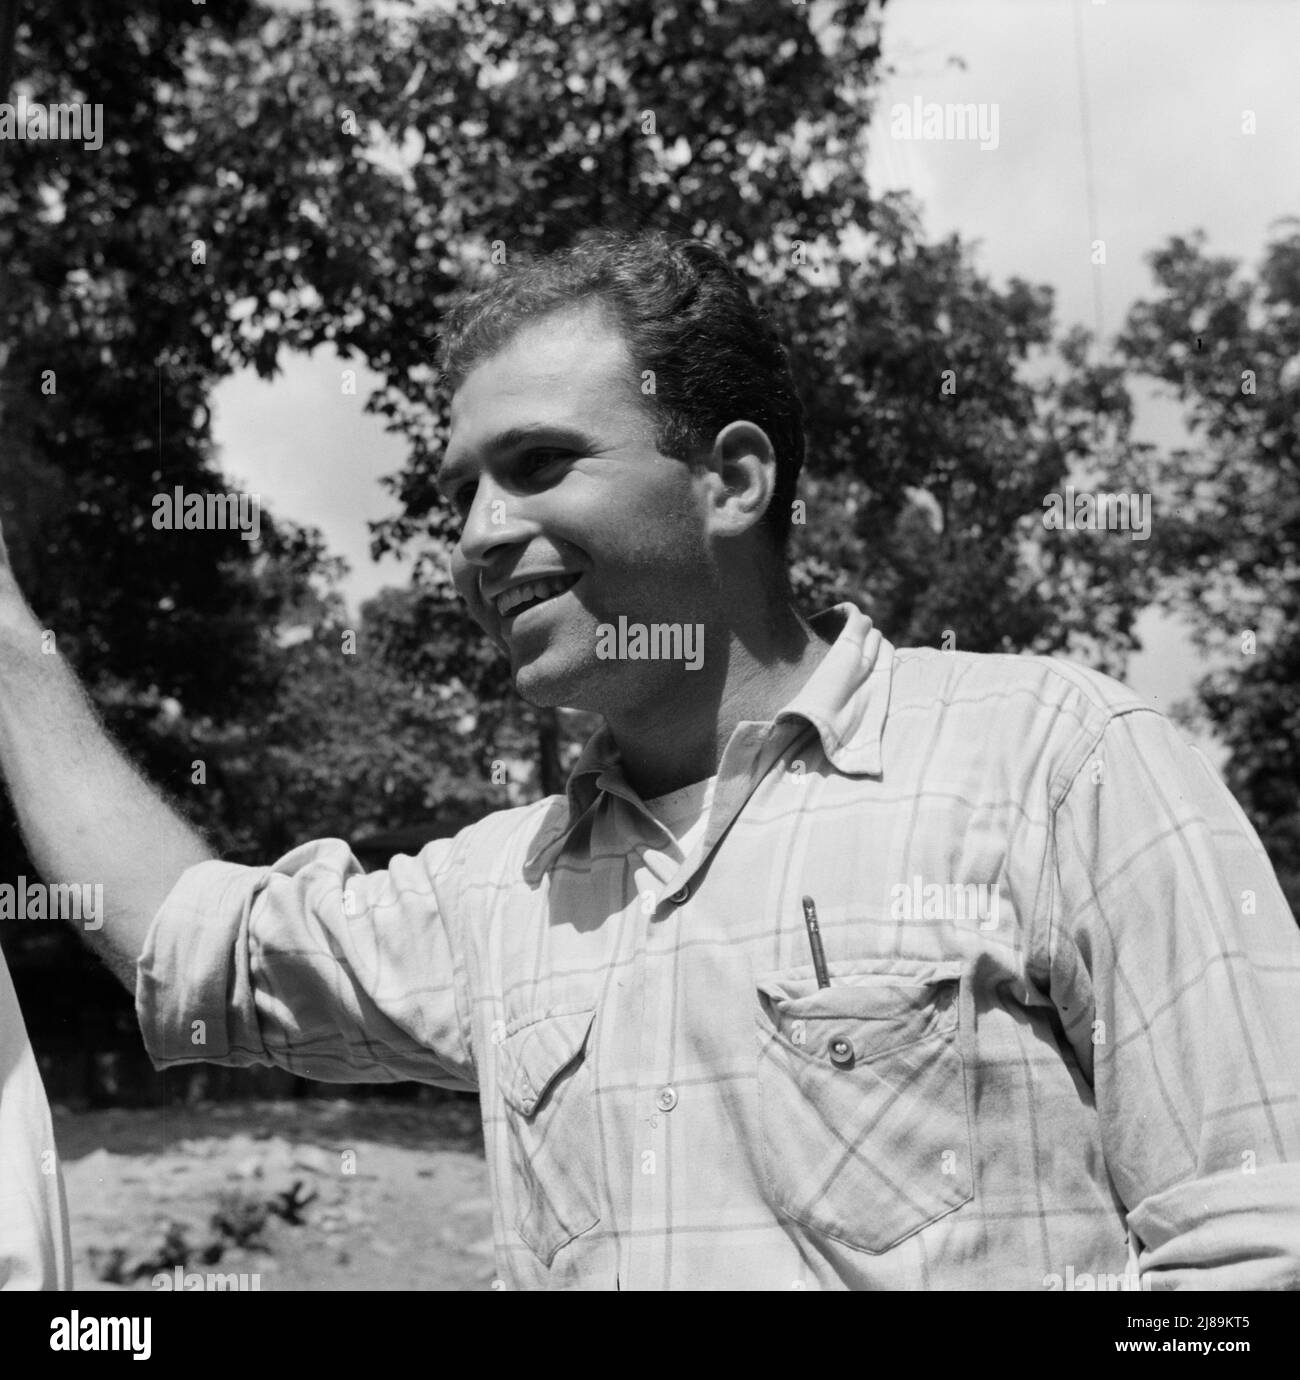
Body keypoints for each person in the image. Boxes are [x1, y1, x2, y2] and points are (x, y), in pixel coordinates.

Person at [2, 231, 1298, 1291]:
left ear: (731, 480)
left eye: (538, 464)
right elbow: (201, 946)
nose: (475, 535)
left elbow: (1252, 1258)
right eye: (461, 488)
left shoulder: (1061, 764)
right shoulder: (504, 892)